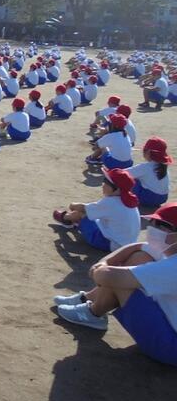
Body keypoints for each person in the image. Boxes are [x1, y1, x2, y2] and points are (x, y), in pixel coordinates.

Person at [54, 209, 177, 367]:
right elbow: (139, 246)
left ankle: (93, 312)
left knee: (121, 281)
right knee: (139, 258)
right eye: (152, 222)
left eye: (161, 225)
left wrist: (100, 270)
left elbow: (110, 276)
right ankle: (88, 299)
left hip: (171, 348)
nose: (152, 227)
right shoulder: (171, 249)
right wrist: (106, 261)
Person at [52, 168, 141, 251]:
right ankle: (74, 222)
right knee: (93, 214)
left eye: (106, 183)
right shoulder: (129, 201)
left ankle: (65, 218)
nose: (103, 185)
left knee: (82, 214)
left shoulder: (111, 202)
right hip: (126, 244)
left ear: (117, 189)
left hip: (109, 243)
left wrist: (72, 205)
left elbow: (83, 208)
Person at [128, 138, 172, 207]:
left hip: (149, 198)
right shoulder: (164, 167)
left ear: (148, 152)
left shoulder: (146, 167)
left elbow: (124, 173)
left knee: (132, 179)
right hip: (163, 198)